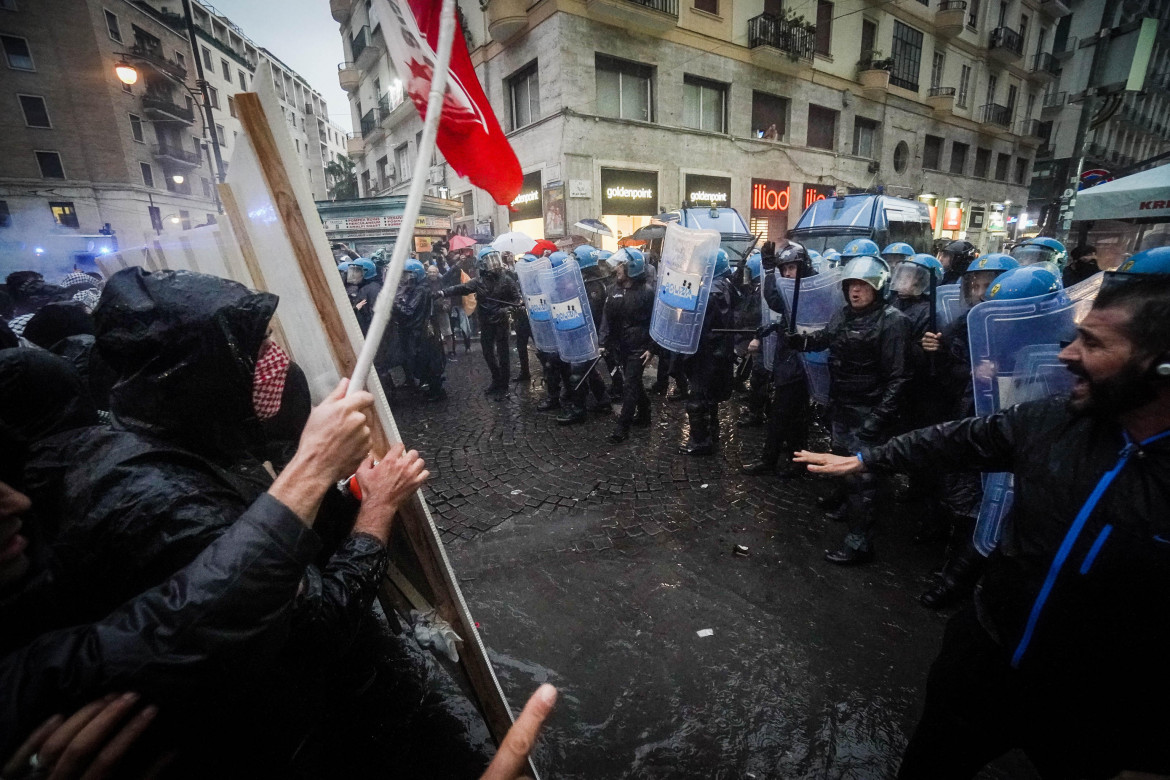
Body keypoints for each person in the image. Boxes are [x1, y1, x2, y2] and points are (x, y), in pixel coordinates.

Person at [795, 271, 1170, 779]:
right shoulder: (1054, 421)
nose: (1066, 355)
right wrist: (868, 459)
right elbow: (955, 439)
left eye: (1094, 343)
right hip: (984, 660)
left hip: (1092, 706)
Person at [789, 254, 911, 563]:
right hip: (842, 403)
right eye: (851, 285)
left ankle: (860, 543)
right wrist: (800, 342)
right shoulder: (844, 315)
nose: (855, 291)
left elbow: (900, 378)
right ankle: (845, 506)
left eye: (863, 285)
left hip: (869, 409)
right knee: (840, 458)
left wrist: (878, 418)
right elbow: (825, 338)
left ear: (878, 287)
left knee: (862, 478)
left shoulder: (893, 321)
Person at [915, 253, 1019, 606]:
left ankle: (958, 580)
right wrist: (940, 353)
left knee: (993, 507)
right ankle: (955, 573)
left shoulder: (1035, 328)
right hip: (971, 419)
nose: (979, 290)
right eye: (974, 283)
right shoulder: (964, 323)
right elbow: (951, 378)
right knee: (966, 502)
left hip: (1013, 431)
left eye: (986, 282)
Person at [742, 242, 812, 477]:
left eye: (792, 268)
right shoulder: (796, 289)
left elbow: (775, 299)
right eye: (785, 269)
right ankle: (782, 459)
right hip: (787, 362)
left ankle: (788, 461)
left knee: (790, 415)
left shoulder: (808, 291)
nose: (788, 273)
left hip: (800, 365)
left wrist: (770, 270)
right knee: (784, 414)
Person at [437, 247, 520, 398]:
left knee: (503, 355)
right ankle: (496, 379)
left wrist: (506, 310)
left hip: (501, 321)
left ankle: (504, 385)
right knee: (488, 354)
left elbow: (517, 300)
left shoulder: (506, 279)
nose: (494, 264)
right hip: (486, 322)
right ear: (482, 264)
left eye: (495, 259)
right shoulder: (479, 281)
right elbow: (462, 288)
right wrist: (443, 292)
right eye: (490, 261)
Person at [681, 248, 738, 456]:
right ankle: (711, 434)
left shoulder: (711, 292)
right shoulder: (724, 286)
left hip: (705, 353)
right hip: (716, 354)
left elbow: (699, 325)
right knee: (709, 398)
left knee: (697, 400)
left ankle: (700, 442)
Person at [599, 249, 654, 443]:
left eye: (621, 265)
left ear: (632, 268)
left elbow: (655, 322)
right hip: (620, 345)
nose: (617, 269)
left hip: (638, 346)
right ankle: (646, 412)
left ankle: (623, 426)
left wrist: (652, 347)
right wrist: (603, 342)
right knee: (635, 381)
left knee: (630, 384)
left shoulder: (647, 293)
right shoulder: (614, 290)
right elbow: (607, 317)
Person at [558, 249, 611, 425]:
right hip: (586, 335)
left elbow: (593, 314)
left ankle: (578, 410)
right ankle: (603, 401)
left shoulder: (594, 286)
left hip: (588, 335)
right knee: (590, 371)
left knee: (578, 373)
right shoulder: (588, 282)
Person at [503, 252, 532, 383]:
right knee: (521, 345)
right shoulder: (514, 278)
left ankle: (549, 369)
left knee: (540, 345)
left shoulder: (533, 280)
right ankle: (525, 371)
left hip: (533, 316)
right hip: (521, 316)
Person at [345, 258, 382, 334]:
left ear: (366, 272)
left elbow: (375, 318)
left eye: (356, 271)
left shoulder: (372, 289)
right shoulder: (365, 287)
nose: (353, 275)